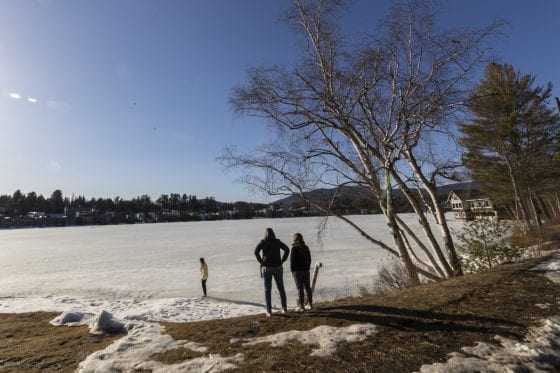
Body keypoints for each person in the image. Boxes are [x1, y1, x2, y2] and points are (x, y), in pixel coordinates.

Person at [254, 227, 289, 316]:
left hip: (267, 268)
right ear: (273, 233)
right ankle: (284, 308)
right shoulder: (277, 242)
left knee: (267, 290)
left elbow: (256, 252)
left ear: (265, 234)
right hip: (278, 267)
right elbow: (287, 249)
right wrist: (282, 260)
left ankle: (269, 311)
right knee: (281, 288)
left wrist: (261, 261)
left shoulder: (263, 242)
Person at [290, 233, 313, 311]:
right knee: (307, 287)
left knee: (300, 289)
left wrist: (292, 271)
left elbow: (292, 261)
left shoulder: (294, 248)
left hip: (297, 271)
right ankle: (310, 303)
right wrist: (307, 268)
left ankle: (302, 305)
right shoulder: (306, 247)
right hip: (306, 271)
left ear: (295, 239)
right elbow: (309, 259)